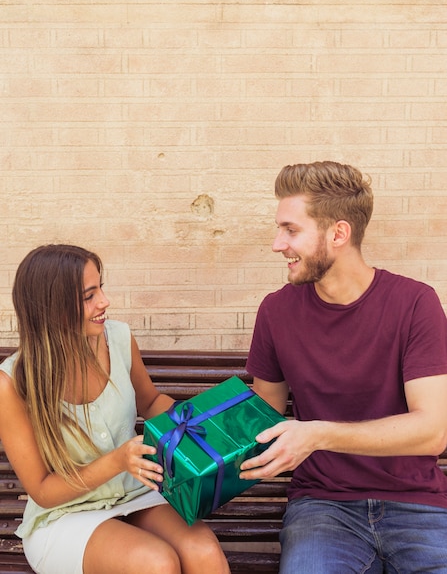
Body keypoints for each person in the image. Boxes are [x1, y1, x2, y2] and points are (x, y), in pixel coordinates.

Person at [240, 161, 447, 573]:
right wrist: (179, 448)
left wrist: (317, 434)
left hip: (418, 505)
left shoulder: (415, 304)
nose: (277, 244)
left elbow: (434, 432)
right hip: (322, 508)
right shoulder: (277, 311)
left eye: (291, 230)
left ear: (338, 233)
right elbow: (259, 417)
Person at [0, 244, 230, 574]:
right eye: (88, 296)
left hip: (134, 493)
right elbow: (43, 490)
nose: (104, 302)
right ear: (53, 309)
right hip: (66, 515)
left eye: (101, 288)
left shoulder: (118, 338)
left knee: (204, 553)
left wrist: (199, 424)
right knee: (156, 563)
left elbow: (149, 402)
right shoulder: (12, 384)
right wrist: (117, 461)